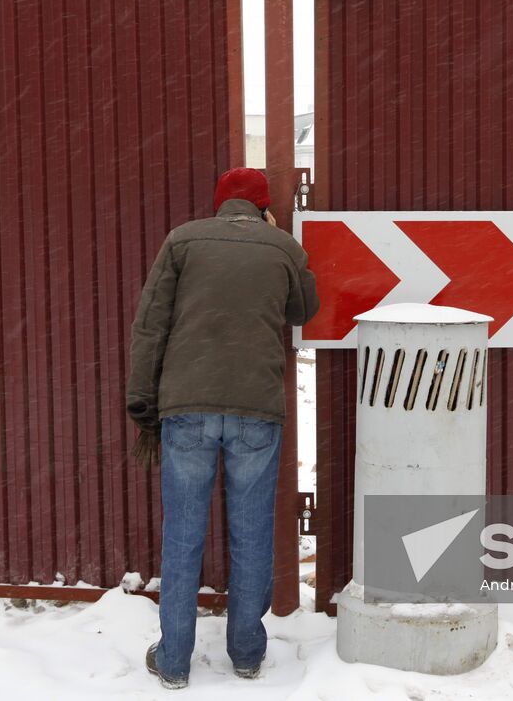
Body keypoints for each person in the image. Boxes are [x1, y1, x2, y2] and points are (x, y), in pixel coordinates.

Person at [126, 167, 319, 690]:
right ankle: (247, 654)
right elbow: (306, 308)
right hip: (256, 407)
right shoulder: (280, 246)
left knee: (183, 535)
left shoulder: (182, 241)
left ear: (219, 204)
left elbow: (151, 326)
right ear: (261, 206)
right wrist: (278, 237)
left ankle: (173, 661)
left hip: (186, 405)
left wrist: (143, 404)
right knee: (253, 532)